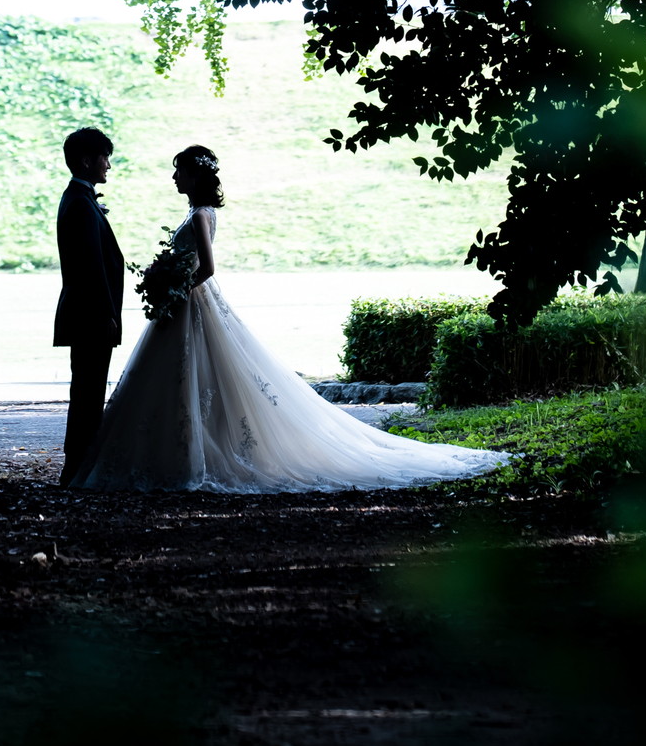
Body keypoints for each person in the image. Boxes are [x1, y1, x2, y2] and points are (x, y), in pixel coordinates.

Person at [67, 144, 507, 493]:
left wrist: (175, 285)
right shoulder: (193, 212)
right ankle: (169, 452)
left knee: (202, 378)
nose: (174, 176)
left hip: (191, 303)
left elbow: (208, 267)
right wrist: (168, 279)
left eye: (179, 169)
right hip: (182, 306)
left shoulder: (201, 214)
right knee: (183, 382)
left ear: (196, 175)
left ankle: (189, 455)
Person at [54, 125, 125, 487]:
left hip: (87, 316)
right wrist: (107, 314)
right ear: (87, 160)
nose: (108, 165)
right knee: (87, 393)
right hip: (90, 318)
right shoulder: (80, 204)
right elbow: (90, 268)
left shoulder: (81, 200)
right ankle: (77, 468)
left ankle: (79, 467)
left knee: (87, 390)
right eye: (104, 158)